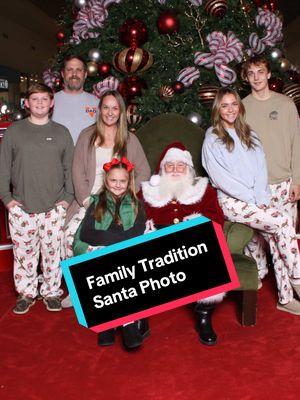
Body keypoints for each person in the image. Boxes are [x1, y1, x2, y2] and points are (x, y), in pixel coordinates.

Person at [202, 87, 300, 315]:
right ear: (218, 109)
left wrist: (262, 197)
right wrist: (253, 199)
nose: (230, 109)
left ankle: (285, 299)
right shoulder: (212, 139)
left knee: (277, 238)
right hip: (232, 202)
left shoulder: (249, 133)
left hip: (257, 200)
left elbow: (260, 169)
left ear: (239, 106)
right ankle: (298, 278)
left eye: (233, 104)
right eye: (224, 105)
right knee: (284, 222)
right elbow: (222, 180)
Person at [62, 89, 150, 307]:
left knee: (118, 240)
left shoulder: (130, 139)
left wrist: (127, 193)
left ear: (121, 111)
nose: (110, 112)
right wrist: (84, 200)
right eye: (106, 107)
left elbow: (144, 172)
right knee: (69, 236)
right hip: (90, 199)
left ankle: (111, 289)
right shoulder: (87, 135)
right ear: (99, 109)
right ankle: (78, 289)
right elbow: (77, 170)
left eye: (115, 108)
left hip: (119, 200)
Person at [140, 142, 225, 346]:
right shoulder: (147, 191)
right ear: (162, 169)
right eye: (170, 165)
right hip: (157, 244)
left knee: (209, 254)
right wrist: (147, 229)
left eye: (181, 165)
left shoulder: (204, 190)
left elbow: (217, 219)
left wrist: (197, 224)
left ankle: (204, 316)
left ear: (189, 169)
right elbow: (133, 219)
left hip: (192, 244)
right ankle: (138, 318)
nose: (176, 170)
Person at [0, 83, 74, 314]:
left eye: (44, 99)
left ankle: (51, 292)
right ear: (27, 103)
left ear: (51, 103)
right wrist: (7, 199)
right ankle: (26, 293)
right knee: (24, 255)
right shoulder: (14, 131)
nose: (40, 103)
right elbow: (3, 167)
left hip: (54, 207)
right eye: (35, 99)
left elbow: (69, 168)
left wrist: (67, 198)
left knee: (52, 253)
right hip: (21, 207)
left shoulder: (61, 132)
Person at [73, 157, 150, 350]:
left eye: (122, 181)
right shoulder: (96, 203)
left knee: (123, 268)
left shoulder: (137, 204)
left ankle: (128, 322)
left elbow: (137, 232)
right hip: (104, 251)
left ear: (128, 182)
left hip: (126, 252)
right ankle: (109, 322)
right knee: (107, 265)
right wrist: (113, 243)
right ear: (106, 181)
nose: (117, 185)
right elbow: (87, 232)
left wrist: (115, 244)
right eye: (113, 180)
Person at [241, 55, 300, 279]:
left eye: (260, 72)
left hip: (285, 182)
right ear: (247, 78)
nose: (256, 77)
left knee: (286, 238)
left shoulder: (285, 104)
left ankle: (291, 286)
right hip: (257, 186)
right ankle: (262, 274)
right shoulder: (242, 108)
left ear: (268, 74)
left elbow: (297, 143)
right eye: (251, 73)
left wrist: (297, 180)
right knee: (261, 237)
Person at [52, 55, 99, 144]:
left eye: (79, 70)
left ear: (85, 74)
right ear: (62, 74)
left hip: (87, 156)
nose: (74, 74)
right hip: (58, 157)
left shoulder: (97, 102)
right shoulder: (50, 101)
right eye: (69, 70)